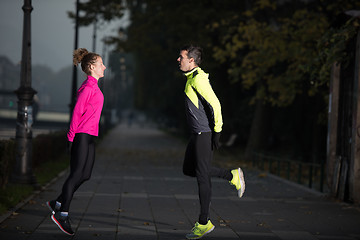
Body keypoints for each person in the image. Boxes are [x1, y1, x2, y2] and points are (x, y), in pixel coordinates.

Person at [177, 45, 245, 239]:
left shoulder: (198, 79)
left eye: (181, 57)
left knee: (202, 176)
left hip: (204, 133)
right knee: (189, 169)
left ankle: (204, 222)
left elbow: (215, 104)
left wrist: (217, 132)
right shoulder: (192, 78)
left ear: (192, 60)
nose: (178, 60)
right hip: (196, 134)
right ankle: (231, 175)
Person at [46, 48, 106, 235]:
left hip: (90, 137)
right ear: (92, 67)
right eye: (101, 63)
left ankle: (57, 202)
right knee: (75, 174)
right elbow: (76, 113)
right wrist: (70, 139)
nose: (104, 66)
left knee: (86, 174)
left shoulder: (94, 87)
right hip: (81, 136)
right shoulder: (88, 88)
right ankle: (62, 214)